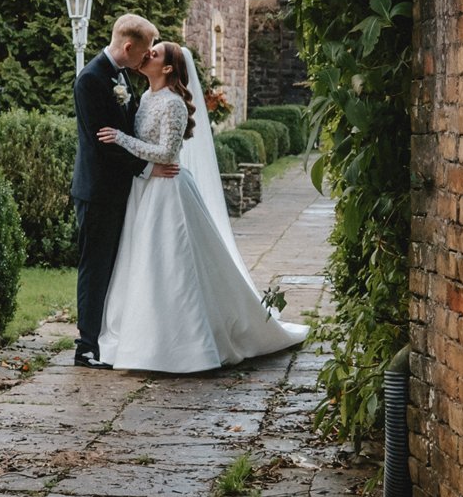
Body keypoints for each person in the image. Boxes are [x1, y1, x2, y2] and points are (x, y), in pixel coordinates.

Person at [94, 40, 308, 373]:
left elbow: (166, 153)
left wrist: (121, 139)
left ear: (167, 68)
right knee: (145, 263)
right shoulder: (147, 98)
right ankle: (146, 339)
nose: (147, 53)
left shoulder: (174, 103)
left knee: (173, 264)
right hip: (146, 189)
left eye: (155, 53)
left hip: (169, 192)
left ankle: (186, 344)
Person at [70, 13, 177, 369]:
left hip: (122, 189)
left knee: (117, 267)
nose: (146, 59)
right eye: (145, 52)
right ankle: (86, 346)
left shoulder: (121, 77)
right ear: (129, 47)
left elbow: (129, 130)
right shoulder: (90, 80)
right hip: (98, 190)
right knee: (96, 267)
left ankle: (109, 337)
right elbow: (104, 145)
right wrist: (148, 168)